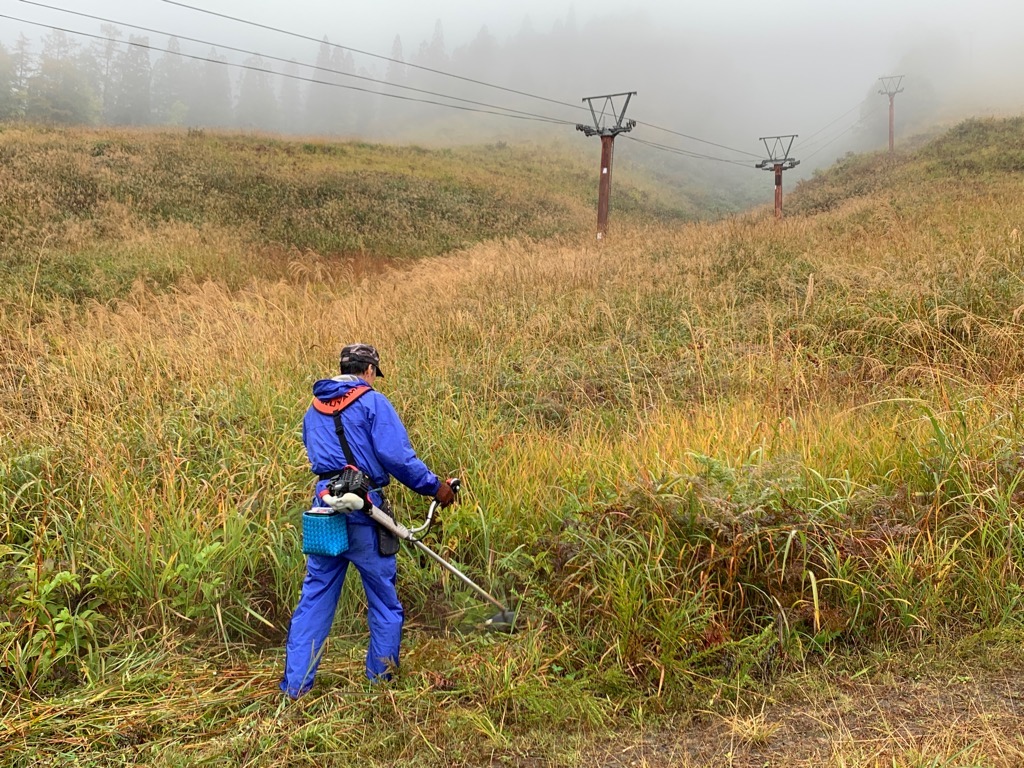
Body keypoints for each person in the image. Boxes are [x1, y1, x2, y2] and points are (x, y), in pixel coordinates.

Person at [280, 343, 455, 698]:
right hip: (365, 512)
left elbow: (319, 457)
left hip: (326, 511)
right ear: (370, 371)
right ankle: (381, 685)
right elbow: (398, 458)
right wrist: (436, 488)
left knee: (314, 599)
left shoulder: (312, 411)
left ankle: (295, 689)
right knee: (383, 601)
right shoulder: (374, 402)